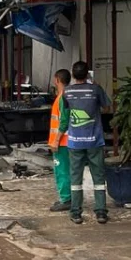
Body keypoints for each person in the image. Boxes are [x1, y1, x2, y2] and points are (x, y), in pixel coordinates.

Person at [59, 61, 111, 225]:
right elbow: (107, 108)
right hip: (94, 141)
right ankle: (101, 212)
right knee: (98, 177)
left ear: (73, 75)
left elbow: (66, 115)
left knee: (75, 178)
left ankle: (76, 213)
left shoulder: (67, 92)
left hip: (75, 143)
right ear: (87, 74)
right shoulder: (96, 90)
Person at [47, 69, 71, 213]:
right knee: (66, 170)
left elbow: (63, 121)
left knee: (62, 171)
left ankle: (66, 199)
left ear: (57, 80)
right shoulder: (65, 96)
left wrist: (56, 140)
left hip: (62, 143)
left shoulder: (63, 97)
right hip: (65, 142)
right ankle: (66, 197)